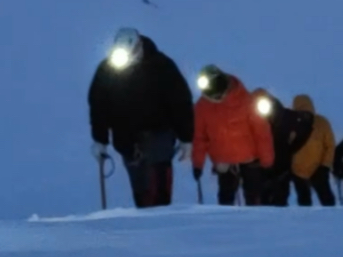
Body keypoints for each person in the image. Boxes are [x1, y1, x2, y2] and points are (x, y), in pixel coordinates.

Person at [87, 28, 195, 208]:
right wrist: (100, 140)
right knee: (141, 190)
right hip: (126, 138)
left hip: (159, 132)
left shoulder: (161, 65)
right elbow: (99, 106)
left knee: (160, 187)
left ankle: (163, 223)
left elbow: (181, 102)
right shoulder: (107, 70)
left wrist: (186, 138)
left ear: (139, 47)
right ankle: (147, 227)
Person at [191, 65, 274, 206]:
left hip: (245, 160)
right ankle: (233, 225)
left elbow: (261, 132)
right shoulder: (203, 106)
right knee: (232, 198)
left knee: (247, 197)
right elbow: (199, 137)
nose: (216, 99)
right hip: (230, 161)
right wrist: (197, 163)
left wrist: (267, 160)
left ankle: (252, 224)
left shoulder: (246, 101)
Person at [253, 89, 314, 207]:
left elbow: (303, 130)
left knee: (279, 203)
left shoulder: (287, 118)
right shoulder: (249, 122)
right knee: (261, 205)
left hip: (281, 170)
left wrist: (289, 150)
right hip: (261, 170)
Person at [289, 94, 337, 207]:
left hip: (319, 169)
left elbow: (330, 145)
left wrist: (325, 165)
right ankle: (306, 222)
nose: (304, 116)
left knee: (327, 199)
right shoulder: (290, 124)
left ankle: (334, 220)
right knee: (304, 201)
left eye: (307, 113)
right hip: (297, 171)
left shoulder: (322, 124)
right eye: (301, 113)